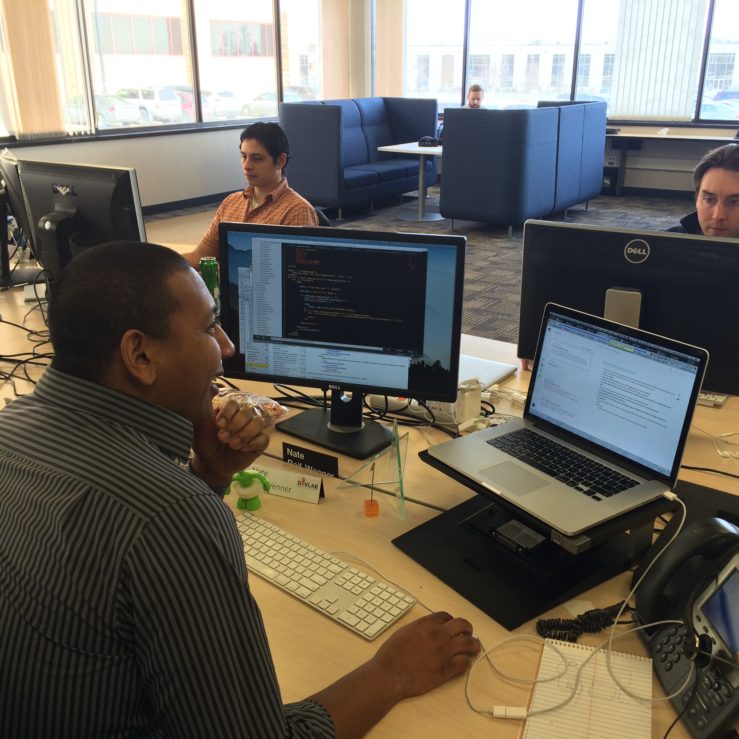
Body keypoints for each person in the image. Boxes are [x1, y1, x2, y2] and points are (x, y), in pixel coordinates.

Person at [0, 241, 481, 738]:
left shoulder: (10, 427)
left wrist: (209, 477)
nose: (227, 346)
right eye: (209, 327)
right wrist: (391, 672)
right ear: (140, 354)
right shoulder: (171, 518)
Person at [185, 121, 318, 268]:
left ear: (280, 161)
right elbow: (200, 256)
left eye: (257, 158)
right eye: (244, 156)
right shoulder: (231, 202)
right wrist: (165, 261)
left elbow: (299, 273)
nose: (247, 166)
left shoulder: (297, 210)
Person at [668, 142, 739, 237]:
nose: (717, 216)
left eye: (734, 202)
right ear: (697, 198)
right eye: (709, 199)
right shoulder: (660, 242)